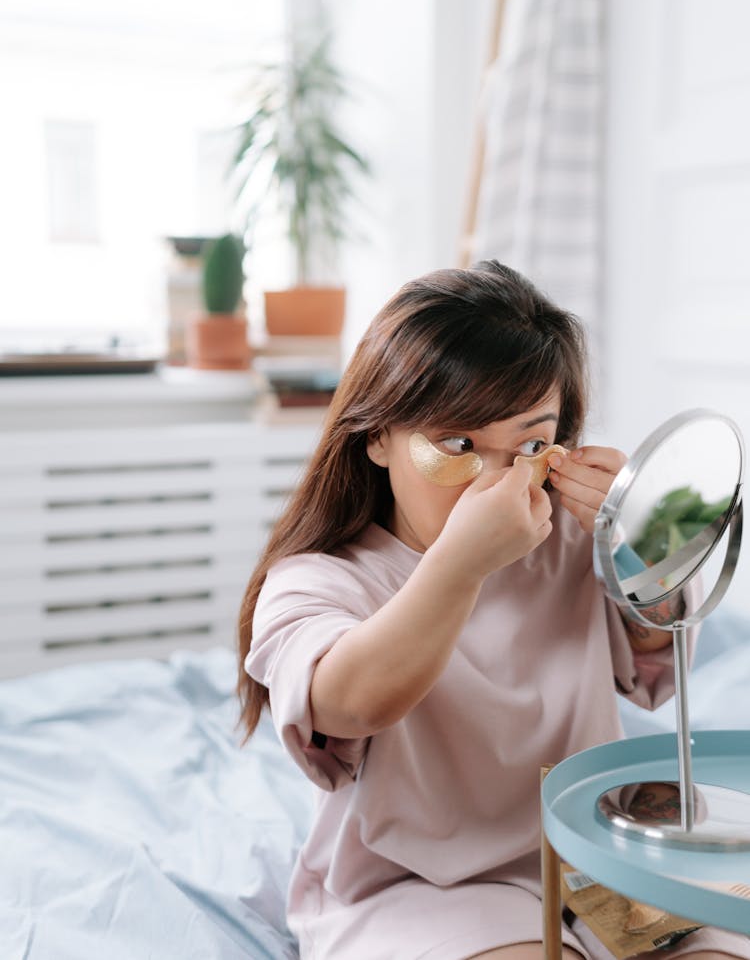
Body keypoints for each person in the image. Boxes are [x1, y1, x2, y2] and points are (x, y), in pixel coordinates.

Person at [238, 262, 749, 960]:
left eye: (533, 445)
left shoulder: (570, 537)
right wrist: (460, 563)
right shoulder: (318, 579)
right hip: (421, 882)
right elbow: (350, 702)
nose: (501, 478)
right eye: (458, 445)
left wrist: (643, 540)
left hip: (598, 854)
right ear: (377, 435)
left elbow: (659, 656)